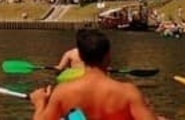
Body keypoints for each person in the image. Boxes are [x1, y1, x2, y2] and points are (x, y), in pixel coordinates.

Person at [30, 29, 159, 120]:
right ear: (108, 56)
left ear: (80, 56)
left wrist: (40, 102)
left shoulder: (62, 92)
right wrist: (148, 109)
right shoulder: (128, 92)